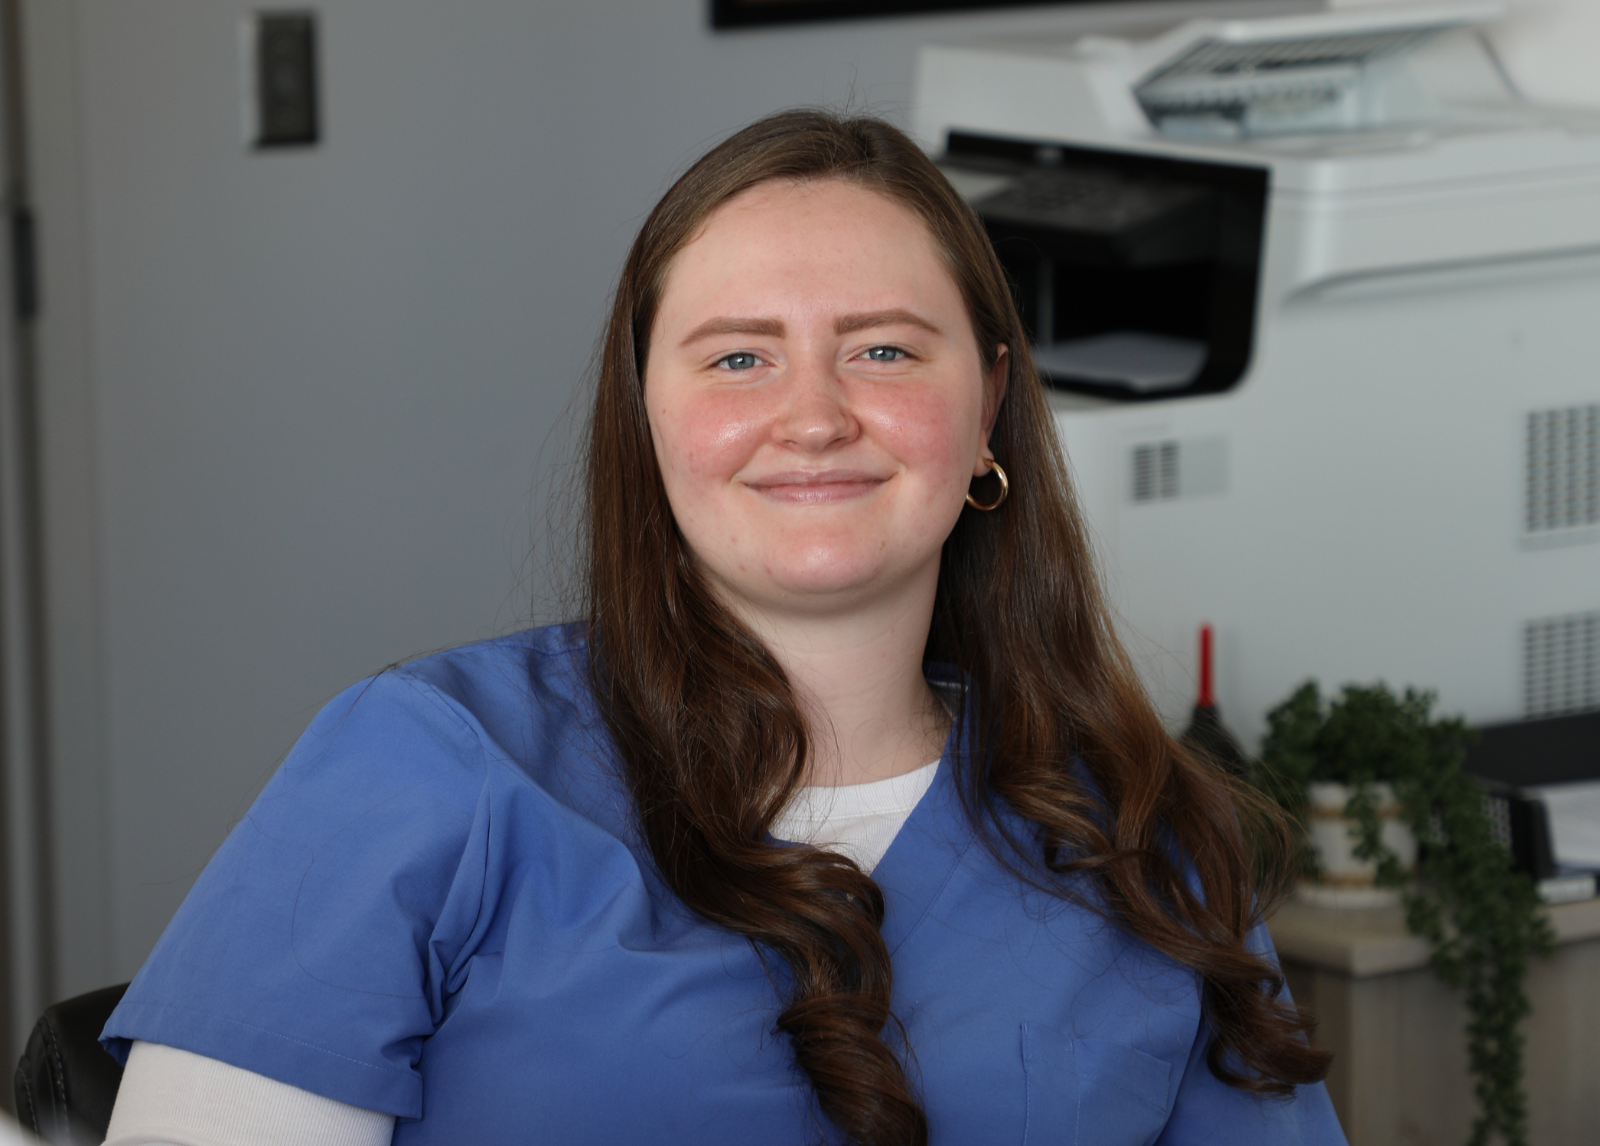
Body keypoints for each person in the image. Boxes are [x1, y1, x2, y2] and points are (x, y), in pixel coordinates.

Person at [100, 110, 1345, 1146]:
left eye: (883, 350)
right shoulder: (422, 768)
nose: (813, 416)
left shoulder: (1143, 835)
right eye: (739, 360)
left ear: (987, 411)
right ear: (644, 417)